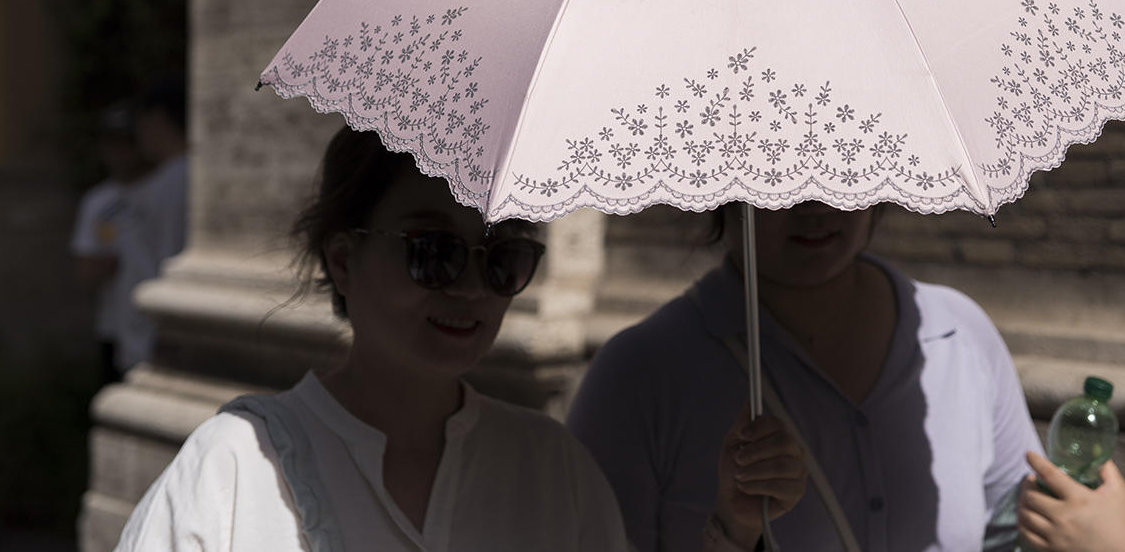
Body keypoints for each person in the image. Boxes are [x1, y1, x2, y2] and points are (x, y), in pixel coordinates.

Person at [116, 127, 806, 551]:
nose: (473, 288)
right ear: (344, 258)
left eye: (503, 254)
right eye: (432, 250)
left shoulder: (552, 469)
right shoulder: (233, 470)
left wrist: (734, 527)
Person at [568, 201, 1125, 552]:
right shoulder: (640, 375)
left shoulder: (959, 334)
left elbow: (1011, 535)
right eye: (781, 169)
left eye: (844, 163)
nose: (816, 203)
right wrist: (734, 534)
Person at [107, 74, 190, 373]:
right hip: (142, 340)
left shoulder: (179, 180)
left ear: (158, 119)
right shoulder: (166, 179)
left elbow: (170, 261)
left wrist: (165, 338)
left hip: (153, 347)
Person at [69, 101, 149, 384]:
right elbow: (83, 272)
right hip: (113, 327)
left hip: (156, 326)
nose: (119, 152)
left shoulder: (162, 189)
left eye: (127, 141)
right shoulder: (96, 202)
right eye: (111, 142)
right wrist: (106, 265)